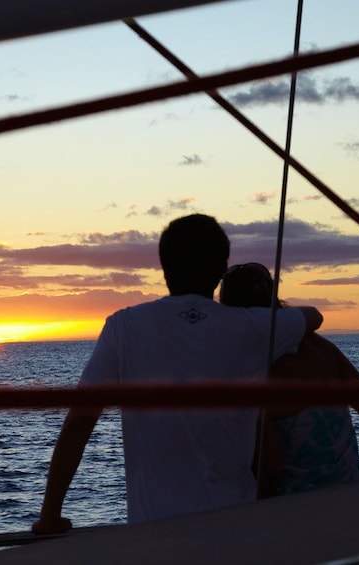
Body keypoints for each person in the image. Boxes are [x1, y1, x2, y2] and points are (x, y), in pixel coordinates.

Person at [32, 214, 323, 534]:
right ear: (220, 269)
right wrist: (265, 316)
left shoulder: (123, 326)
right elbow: (313, 316)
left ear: (164, 266)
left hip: (154, 535)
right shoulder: (250, 327)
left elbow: (80, 420)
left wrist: (50, 516)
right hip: (234, 530)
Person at [219, 262, 359, 498]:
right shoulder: (321, 347)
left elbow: (270, 467)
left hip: (293, 512)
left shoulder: (252, 367)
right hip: (356, 494)